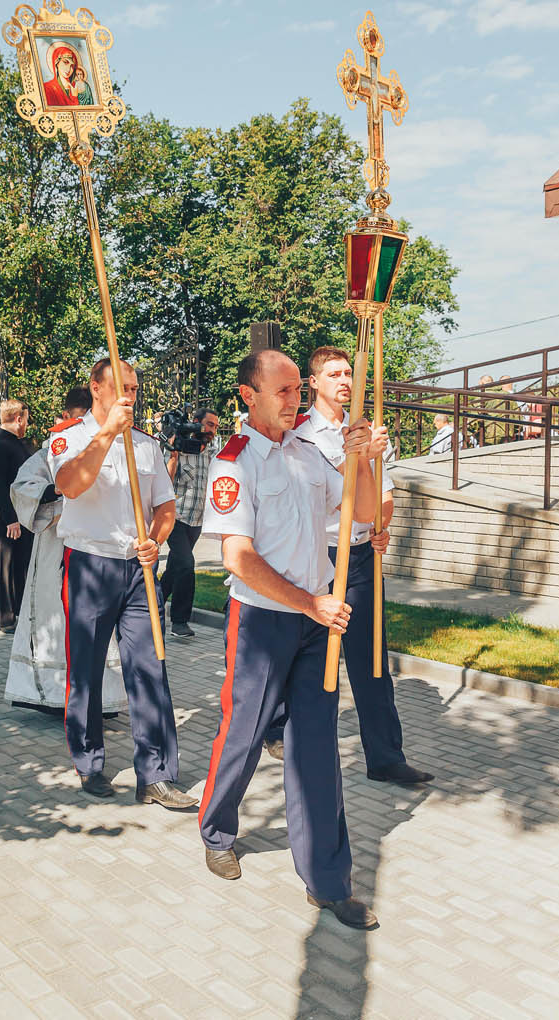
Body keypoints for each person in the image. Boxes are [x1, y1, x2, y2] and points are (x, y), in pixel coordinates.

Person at [196, 348, 386, 930]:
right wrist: (310, 602)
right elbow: (238, 558)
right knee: (244, 730)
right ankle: (217, 828)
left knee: (315, 748)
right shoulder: (233, 463)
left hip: (314, 622)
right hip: (261, 620)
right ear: (248, 396)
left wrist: (364, 462)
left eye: (296, 389)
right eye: (281, 391)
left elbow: (368, 514)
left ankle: (328, 881)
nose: (294, 399)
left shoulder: (309, 453)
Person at [262, 346, 434, 786]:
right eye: (335, 374)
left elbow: (384, 499)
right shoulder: (297, 432)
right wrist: (352, 456)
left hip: (358, 557)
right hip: (313, 557)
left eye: (349, 375)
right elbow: (301, 496)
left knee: (370, 658)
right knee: (300, 653)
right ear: (314, 383)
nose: (345, 382)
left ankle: (385, 755)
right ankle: (278, 729)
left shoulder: (369, 433)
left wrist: (379, 520)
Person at [50, 357, 195, 809]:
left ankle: (155, 774)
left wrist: (154, 540)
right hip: (89, 566)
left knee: (150, 668)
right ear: (96, 388)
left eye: (134, 389)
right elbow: (71, 485)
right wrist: (108, 432)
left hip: (138, 570)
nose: (130, 396)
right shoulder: (67, 437)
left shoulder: (149, 447)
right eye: (121, 388)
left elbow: (165, 509)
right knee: (87, 671)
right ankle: (89, 760)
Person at [4, 387, 125, 714]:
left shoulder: (117, 448)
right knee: (53, 618)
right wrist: (56, 492)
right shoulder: (52, 450)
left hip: (104, 548)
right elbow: (22, 487)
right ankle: (54, 695)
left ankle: (102, 697)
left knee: (100, 623)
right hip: (57, 548)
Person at [161, 407, 220, 638]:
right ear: (195, 423)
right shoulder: (178, 448)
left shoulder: (212, 453)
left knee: (176, 566)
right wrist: (174, 454)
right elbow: (164, 483)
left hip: (196, 521)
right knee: (186, 564)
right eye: (209, 425)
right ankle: (179, 622)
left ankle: (152, 603)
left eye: (215, 426)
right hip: (175, 517)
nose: (212, 430)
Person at [0, 398, 35, 632]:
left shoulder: (18, 443)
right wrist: (11, 518)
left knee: (19, 565)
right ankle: (5, 617)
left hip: (19, 516)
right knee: (5, 566)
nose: (27, 424)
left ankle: (19, 610)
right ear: (18, 418)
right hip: (4, 517)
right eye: (26, 419)